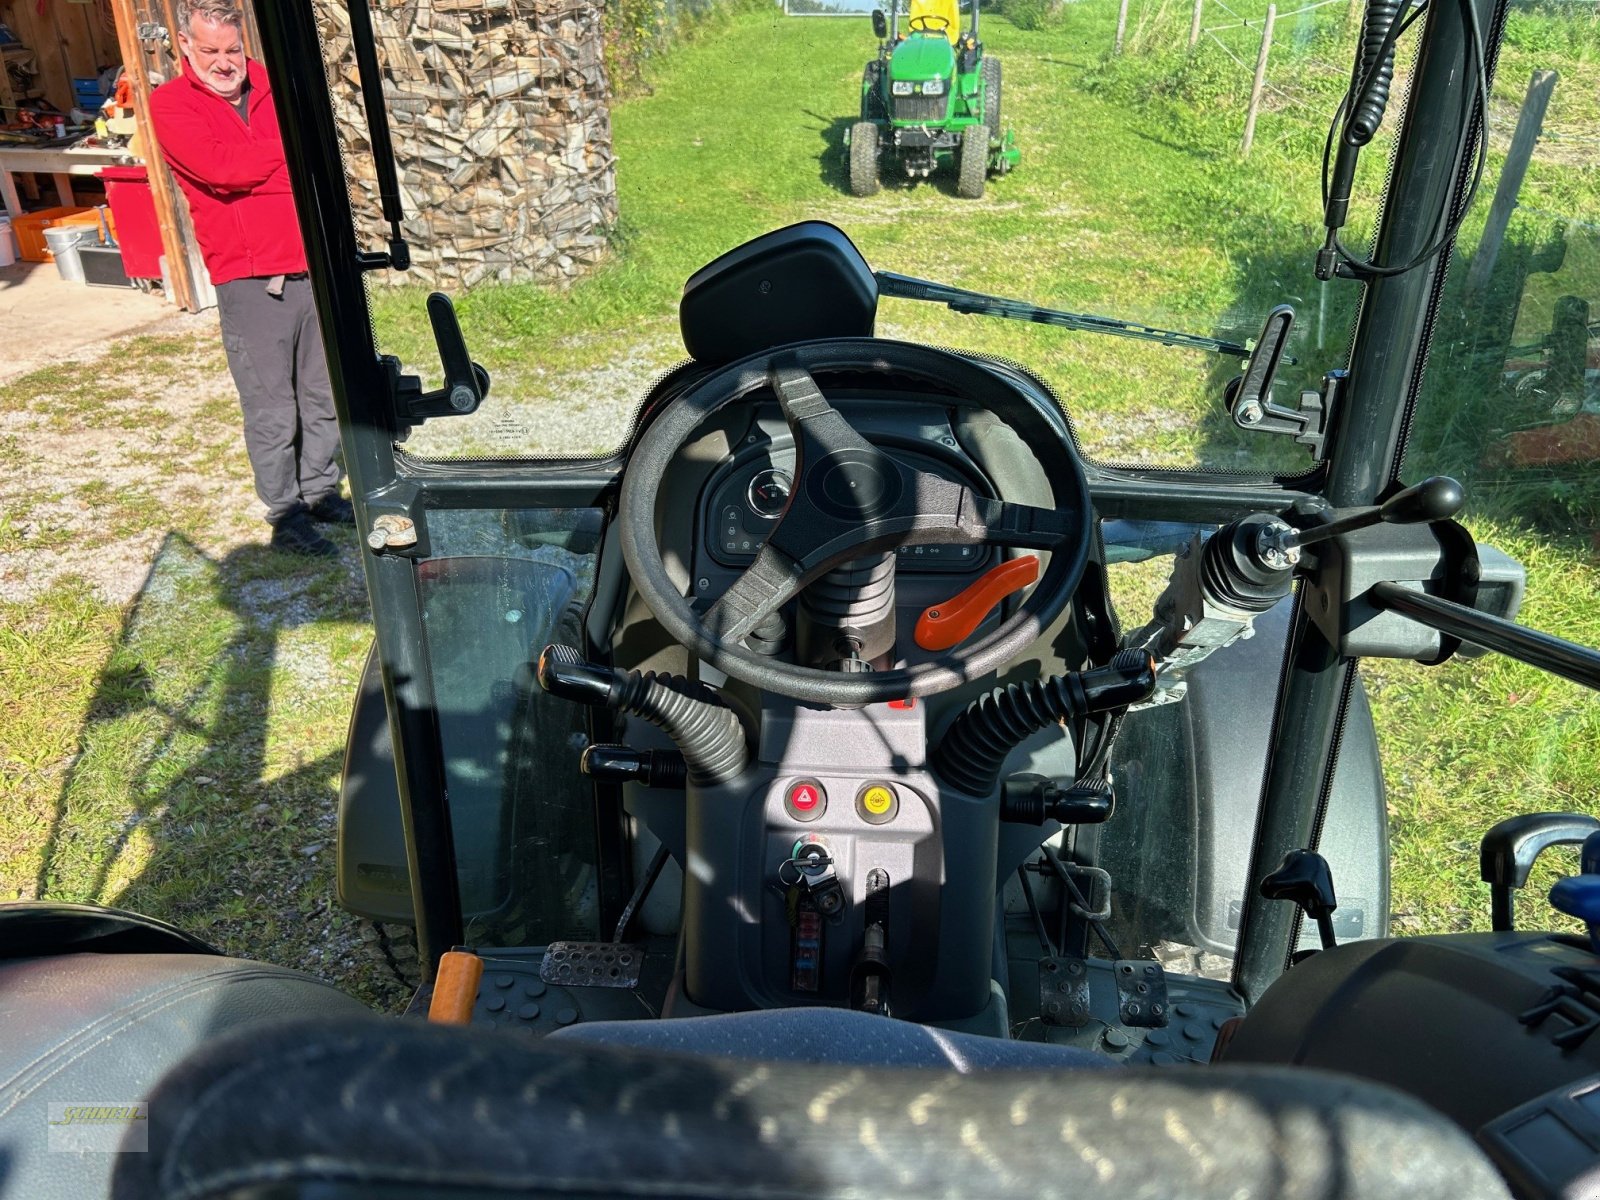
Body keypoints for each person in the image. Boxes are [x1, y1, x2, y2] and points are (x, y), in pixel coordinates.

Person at [150, 0, 351, 557]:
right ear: (186, 47)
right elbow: (220, 170)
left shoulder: (271, 84)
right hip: (249, 278)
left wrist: (255, 165)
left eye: (231, 49)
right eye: (209, 50)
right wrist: (277, 159)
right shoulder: (170, 104)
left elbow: (316, 153)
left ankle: (321, 492)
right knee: (270, 405)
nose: (223, 61)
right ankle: (285, 514)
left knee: (322, 391)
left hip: (312, 266)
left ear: (246, 45)